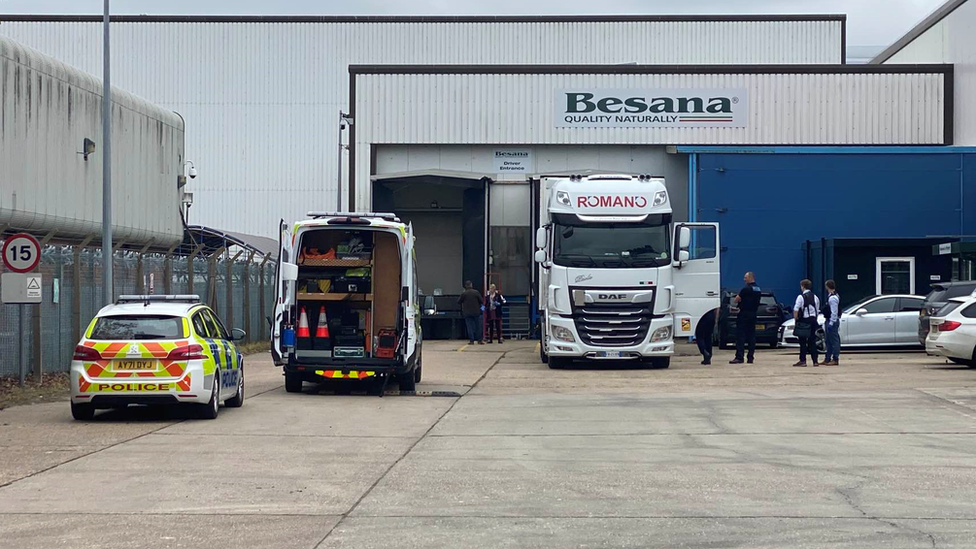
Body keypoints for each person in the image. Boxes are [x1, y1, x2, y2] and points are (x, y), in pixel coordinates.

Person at [730, 271, 762, 364]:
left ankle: (739, 357)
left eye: (745, 277)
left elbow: (736, 300)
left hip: (744, 314)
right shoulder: (758, 289)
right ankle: (750, 357)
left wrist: (738, 298)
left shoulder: (745, 289)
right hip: (753, 313)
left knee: (741, 336)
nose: (744, 279)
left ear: (750, 278)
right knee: (751, 336)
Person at [792, 279, 821, 367]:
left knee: (802, 342)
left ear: (803, 286)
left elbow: (796, 309)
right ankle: (815, 361)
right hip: (813, 320)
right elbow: (817, 309)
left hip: (804, 321)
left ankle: (803, 360)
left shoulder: (801, 297)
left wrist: (796, 319)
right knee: (812, 341)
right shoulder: (815, 297)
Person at [458, 280, 485, 345]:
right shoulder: (476, 292)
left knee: (469, 327)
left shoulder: (464, 294)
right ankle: (480, 340)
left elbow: (458, 301)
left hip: (467, 313)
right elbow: (482, 301)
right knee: (478, 327)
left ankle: (471, 340)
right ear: (471, 285)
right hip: (476, 312)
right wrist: (482, 310)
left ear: (465, 286)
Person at [822, 280, 841, 366]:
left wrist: (831, 323)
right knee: (828, 340)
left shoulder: (833, 298)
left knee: (834, 340)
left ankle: (835, 358)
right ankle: (827, 358)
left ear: (827, 286)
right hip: (829, 319)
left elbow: (834, 312)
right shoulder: (833, 295)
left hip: (831, 320)